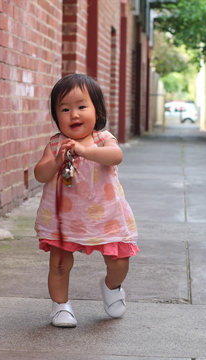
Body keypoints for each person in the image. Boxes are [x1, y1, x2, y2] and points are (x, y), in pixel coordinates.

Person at [34, 74, 139, 328]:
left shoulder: (103, 139)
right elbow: (40, 174)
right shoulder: (56, 144)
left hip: (105, 215)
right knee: (60, 263)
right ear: (56, 115)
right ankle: (60, 306)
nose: (74, 115)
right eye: (65, 109)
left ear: (97, 110)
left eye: (82, 106)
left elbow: (116, 156)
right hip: (64, 218)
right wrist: (57, 160)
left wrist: (84, 151)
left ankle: (112, 287)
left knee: (118, 261)